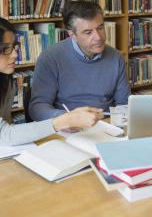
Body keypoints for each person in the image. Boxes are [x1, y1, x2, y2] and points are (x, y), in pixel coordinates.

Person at [0, 18, 103, 146]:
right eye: (5, 49)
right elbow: (3, 134)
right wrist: (64, 121)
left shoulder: (5, 78)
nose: (15, 54)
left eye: (14, 47)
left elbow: (5, 126)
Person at [29, 0, 131, 123]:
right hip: (65, 127)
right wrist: (68, 119)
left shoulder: (116, 57)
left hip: (105, 125)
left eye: (100, 28)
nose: (98, 37)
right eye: (88, 32)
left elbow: (124, 104)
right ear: (71, 34)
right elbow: (37, 108)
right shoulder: (50, 58)